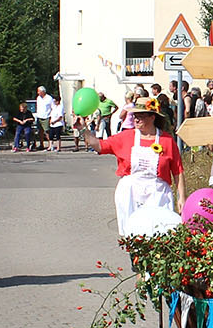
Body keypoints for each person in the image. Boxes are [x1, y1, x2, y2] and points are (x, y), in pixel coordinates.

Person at [76, 96, 183, 236]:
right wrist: (83, 129)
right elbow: (99, 146)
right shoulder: (125, 137)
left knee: (159, 234)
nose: (136, 119)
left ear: (152, 117)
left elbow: (178, 170)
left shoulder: (167, 141)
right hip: (130, 194)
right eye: (135, 116)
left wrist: (182, 197)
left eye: (141, 116)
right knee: (134, 236)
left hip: (158, 194)